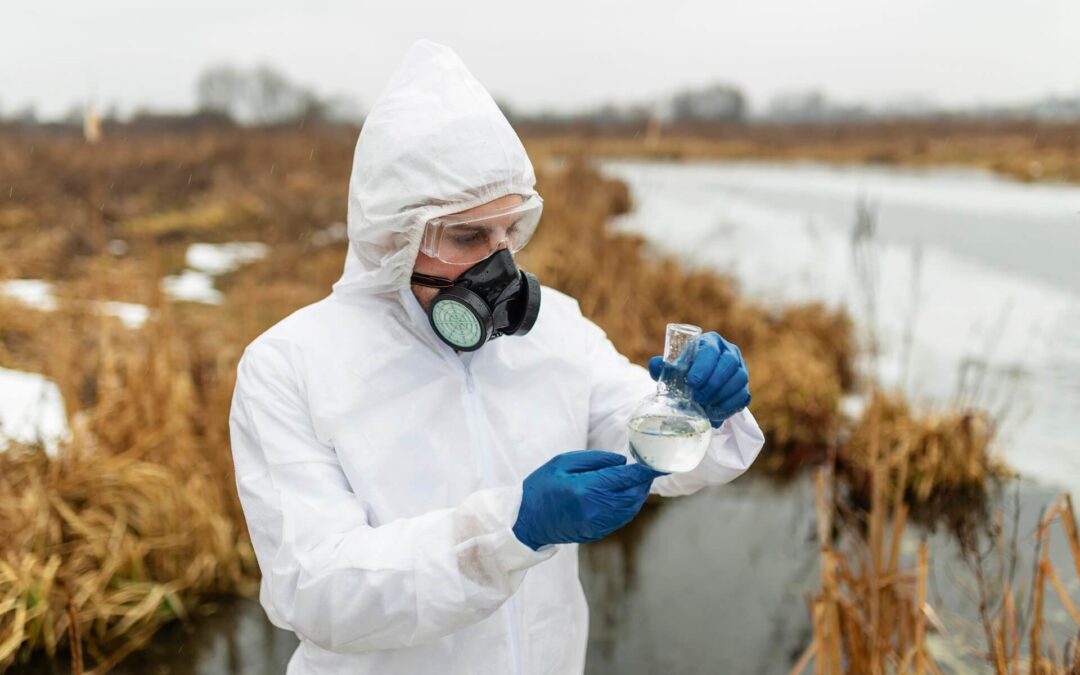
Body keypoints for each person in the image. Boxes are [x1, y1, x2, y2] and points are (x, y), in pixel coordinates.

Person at [228, 39, 764, 675]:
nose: (501, 264)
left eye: (510, 231)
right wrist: (511, 530)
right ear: (390, 239)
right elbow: (318, 591)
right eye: (467, 236)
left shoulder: (553, 326)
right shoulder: (292, 367)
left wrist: (695, 405)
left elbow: (644, 438)